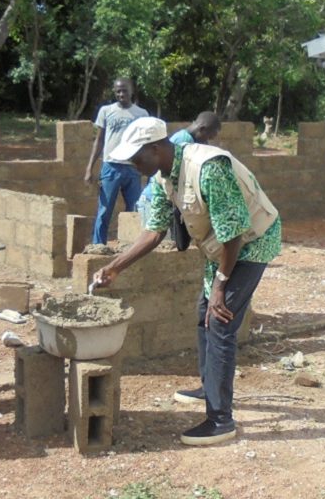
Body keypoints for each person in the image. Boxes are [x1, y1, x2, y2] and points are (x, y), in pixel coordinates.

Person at [93, 117, 282, 447]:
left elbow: (235, 233)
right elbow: (154, 232)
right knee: (202, 314)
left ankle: (220, 420)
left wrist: (222, 286)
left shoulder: (208, 168)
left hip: (252, 240)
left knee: (220, 320)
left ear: (155, 148)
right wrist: (115, 267)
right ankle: (209, 387)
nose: (135, 166)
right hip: (223, 247)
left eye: (137, 158)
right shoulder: (166, 176)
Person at [84, 77, 148, 245]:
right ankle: (98, 246)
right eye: (118, 91)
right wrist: (89, 167)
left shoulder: (141, 114)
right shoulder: (106, 111)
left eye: (124, 90)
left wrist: (148, 169)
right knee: (104, 210)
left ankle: (131, 245)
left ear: (132, 91)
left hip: (133, 168)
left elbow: (146, 143)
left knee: (134, 211)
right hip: (111, 166)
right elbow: (99, 140)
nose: (121, 94)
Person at [136, 111, 222, 233]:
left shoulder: (186, 139)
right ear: (202, 129)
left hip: (161, 200)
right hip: (154, 200)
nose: (208, 142)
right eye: (209, 137)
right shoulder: (184, 141)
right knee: (159, 243)